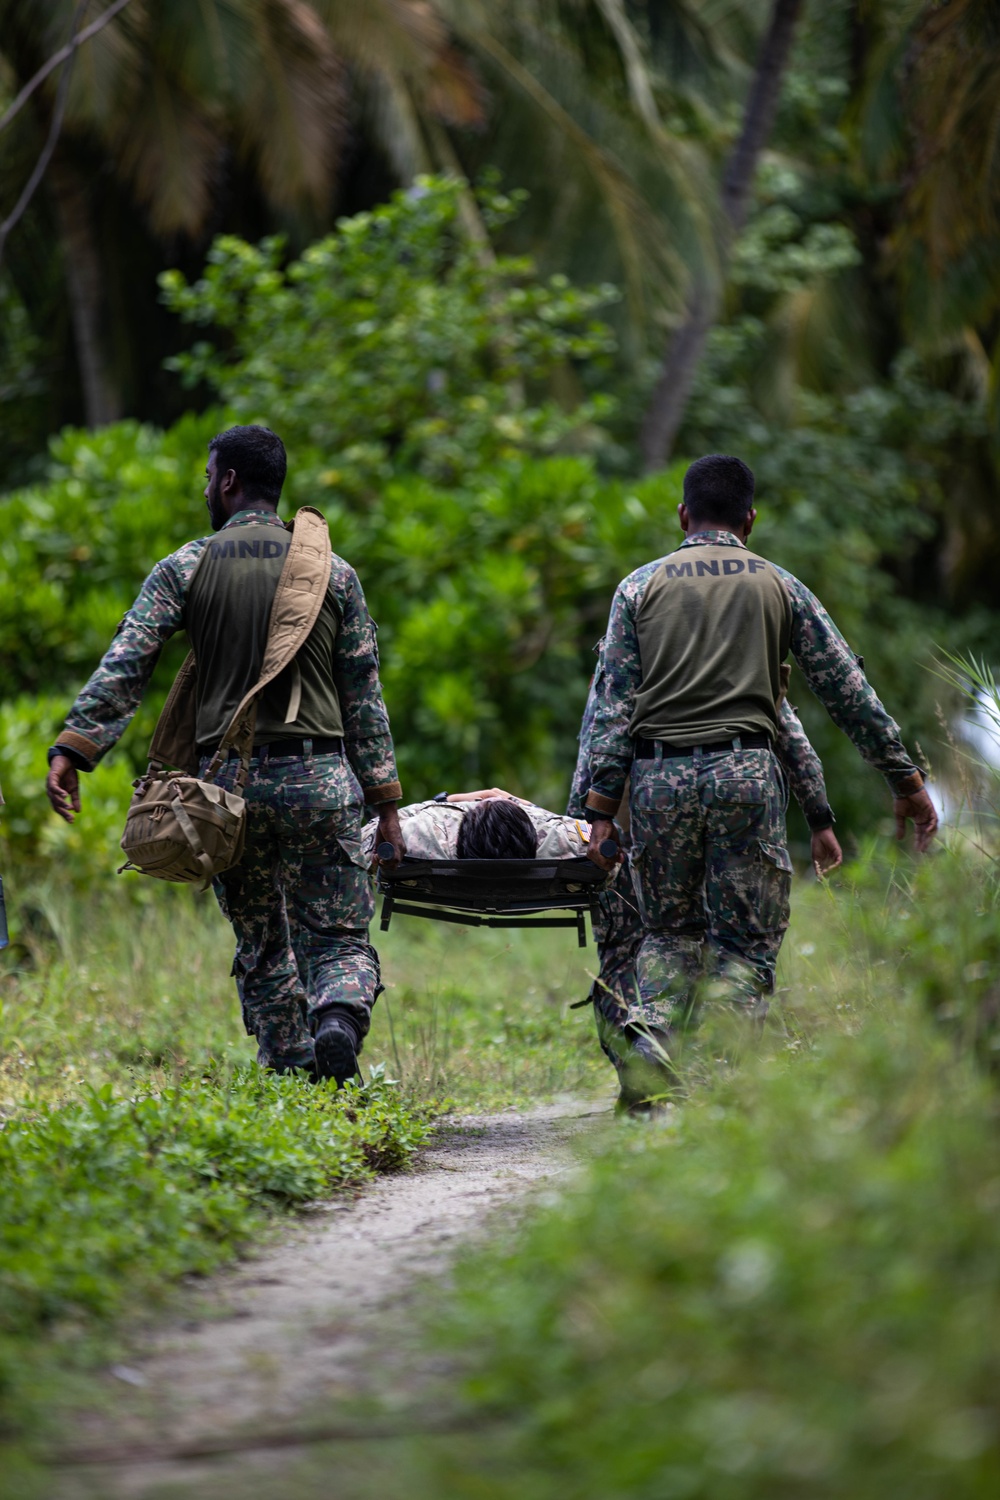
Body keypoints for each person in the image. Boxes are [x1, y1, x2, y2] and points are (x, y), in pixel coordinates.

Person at [45, 425, 404, 1083]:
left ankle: (294, 1076)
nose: (205, 488)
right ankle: (336, 1021)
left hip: (228, 788)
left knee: (264, 944)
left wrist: (77, 745)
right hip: (322, 780)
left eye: (208, 476)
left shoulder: (186, 565)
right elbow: (365, 699)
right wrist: (385, 803)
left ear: (229, 481)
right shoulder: (334, 573)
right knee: (338, 938)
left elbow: (130, 660)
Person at [583, 453, 936, 1094]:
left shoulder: (638, 588)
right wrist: (905, 780)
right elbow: (845, 691)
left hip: (658, 781)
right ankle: (724, 1077)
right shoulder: (779, 586)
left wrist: (600, 811)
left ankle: (653, 1033)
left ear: (683, 514)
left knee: (666, 931)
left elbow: (610, 709)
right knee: (743, 943)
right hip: (747, 773)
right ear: (751, 519)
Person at [570, 640, 842, 1108]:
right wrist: (818, 815)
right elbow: (791, 738)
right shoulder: (737, 654)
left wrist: (583, 823)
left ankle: (646, 1061)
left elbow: (597, 740)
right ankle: (721, 1079)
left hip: (639, 820)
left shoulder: (625, 649)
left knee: (648, 942)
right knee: (738, 943)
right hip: (738, 793)